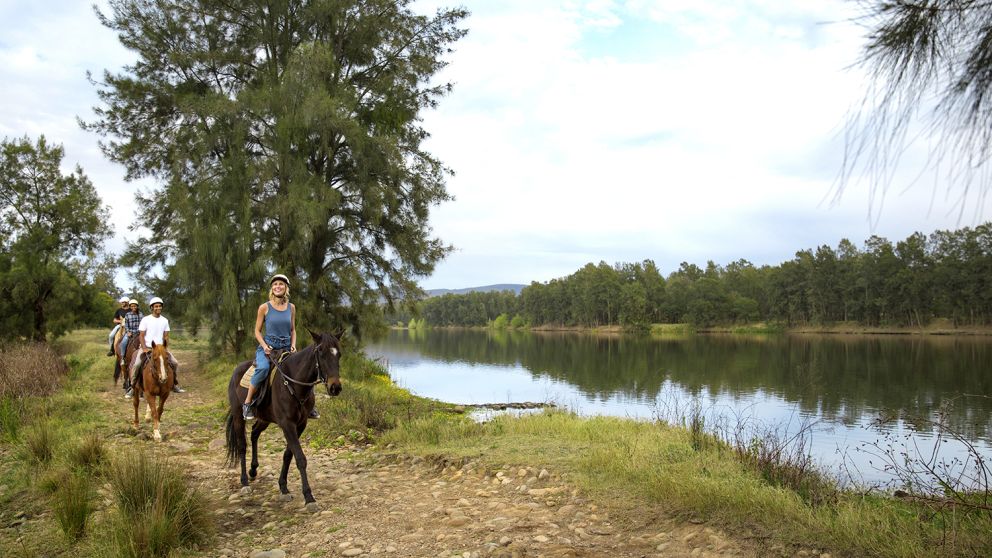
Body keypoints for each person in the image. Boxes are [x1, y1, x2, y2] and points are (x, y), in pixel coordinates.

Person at [243, 274, 317, 420]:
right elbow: (257, 331)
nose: (278, 286)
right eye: (275, 284)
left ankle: (310, 406)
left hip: (287, 348)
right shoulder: (264, 307)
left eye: (281, 284)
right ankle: (248, 403)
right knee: (263, 369)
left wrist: (293, 345)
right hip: (268, 349)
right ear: (272, 288)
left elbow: (293, 330)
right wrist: (264, 346)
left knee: (307, 368)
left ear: (286, 288)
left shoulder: (291, 307)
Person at [129, 296, 184, 394]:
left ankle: (173, 384)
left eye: (160, 306)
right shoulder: (146, 319)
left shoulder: (165, 320)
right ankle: (133, 386)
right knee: (136, 364)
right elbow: (141, 335)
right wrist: (144, 348)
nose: (158, 308)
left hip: (160, 348)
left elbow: (166, 336)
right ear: (152, 308)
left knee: (175, 363)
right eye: (156, 306)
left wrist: (165, 348)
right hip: (148, 347)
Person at [120, 299, 143, 398]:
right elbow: (126, 325)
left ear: (137, 306)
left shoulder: (141, 314)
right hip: (130, 333)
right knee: (123, 342)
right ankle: (123, 357)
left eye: (135, 306)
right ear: (130, 307)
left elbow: (142, 325)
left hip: (139, 333)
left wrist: (140, 332)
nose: (133, 307)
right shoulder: (128, 315)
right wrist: (128, 332)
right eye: (132, 306)